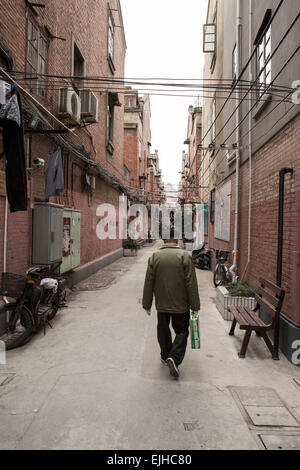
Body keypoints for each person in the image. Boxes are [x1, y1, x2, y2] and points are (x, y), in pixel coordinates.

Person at [142, 232, 200, 378]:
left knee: (163, 328)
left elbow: (149, 282)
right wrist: (195, 305)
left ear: (163, 239)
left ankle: (165, 355)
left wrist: (147, 303)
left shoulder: (155, 257)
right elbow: (191, 283)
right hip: (181, 304)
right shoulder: (184, 256)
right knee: (182, 331)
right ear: (177, 238)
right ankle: (174, 357)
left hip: (162, 303)